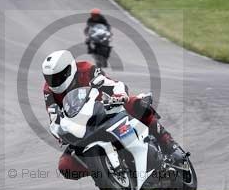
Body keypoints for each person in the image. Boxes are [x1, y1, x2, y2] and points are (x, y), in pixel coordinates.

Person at [41, 49, 186, 180]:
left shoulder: (86, 69)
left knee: (136, 104)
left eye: (59, 76)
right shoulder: (48, 90)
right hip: (81, 127)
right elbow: (53, 117)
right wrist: (60, 133)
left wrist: (120, 95)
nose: (55, 81)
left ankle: (169, 144)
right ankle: (103, 170)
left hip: (105, 109)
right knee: (65, 166)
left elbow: (112, 84)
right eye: (51, 78)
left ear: (70, 68)